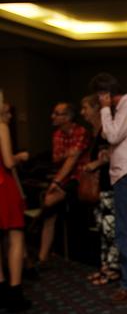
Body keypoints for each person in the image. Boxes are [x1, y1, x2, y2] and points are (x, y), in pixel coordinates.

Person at [88, 73, 127, 302]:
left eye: (100, 96)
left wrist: (104, 109)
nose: (100, 100)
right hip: (124, 174)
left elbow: (112, 135)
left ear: (106, 93)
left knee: (126, 232)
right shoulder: (124, 108)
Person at [38, 101, 89, 265]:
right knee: (49, 213)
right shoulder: (57, 134)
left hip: (80, 181)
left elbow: (72, 161)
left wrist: (57, 182)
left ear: (67, 117)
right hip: (63, 179)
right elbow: (57, 158)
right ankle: (42, 258)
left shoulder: (81, 131)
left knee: (48, 202)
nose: (52, 117)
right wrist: (69, 154)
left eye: (57, 113)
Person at [79, 94, 119, 286]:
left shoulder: (106, 130)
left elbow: (109, 155)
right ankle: (105, 268)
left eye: (85, 107)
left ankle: (112, 270)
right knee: (103, 230)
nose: (82, 112)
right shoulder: (94, 132)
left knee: (111, 230)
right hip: (101, 189)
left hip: (110, 186)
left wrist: (95, 163)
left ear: (96, 109)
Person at [0, 102, 31, 312]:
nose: (10, 114)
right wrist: (21, 156)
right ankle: (15, 294)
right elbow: (9, 162)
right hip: (3, 186)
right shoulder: (1, 126)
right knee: (16, 236)